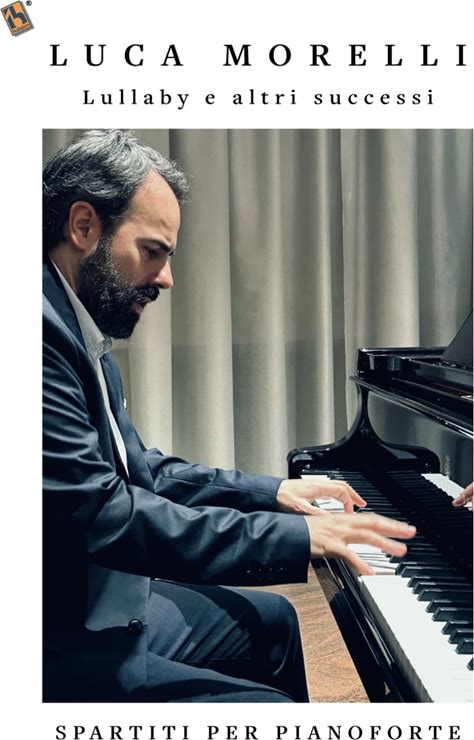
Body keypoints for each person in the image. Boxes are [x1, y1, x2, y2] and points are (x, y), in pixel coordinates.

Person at [42, 129, 416, 703]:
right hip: (55, 632)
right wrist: (296, 536)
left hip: (94, 598)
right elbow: (103, 516)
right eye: (153, 251)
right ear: (84, 225)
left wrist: (274, 494)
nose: (166, 278)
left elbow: (141, 470)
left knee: (275, 623)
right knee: (270, 711)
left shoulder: (75, 321)